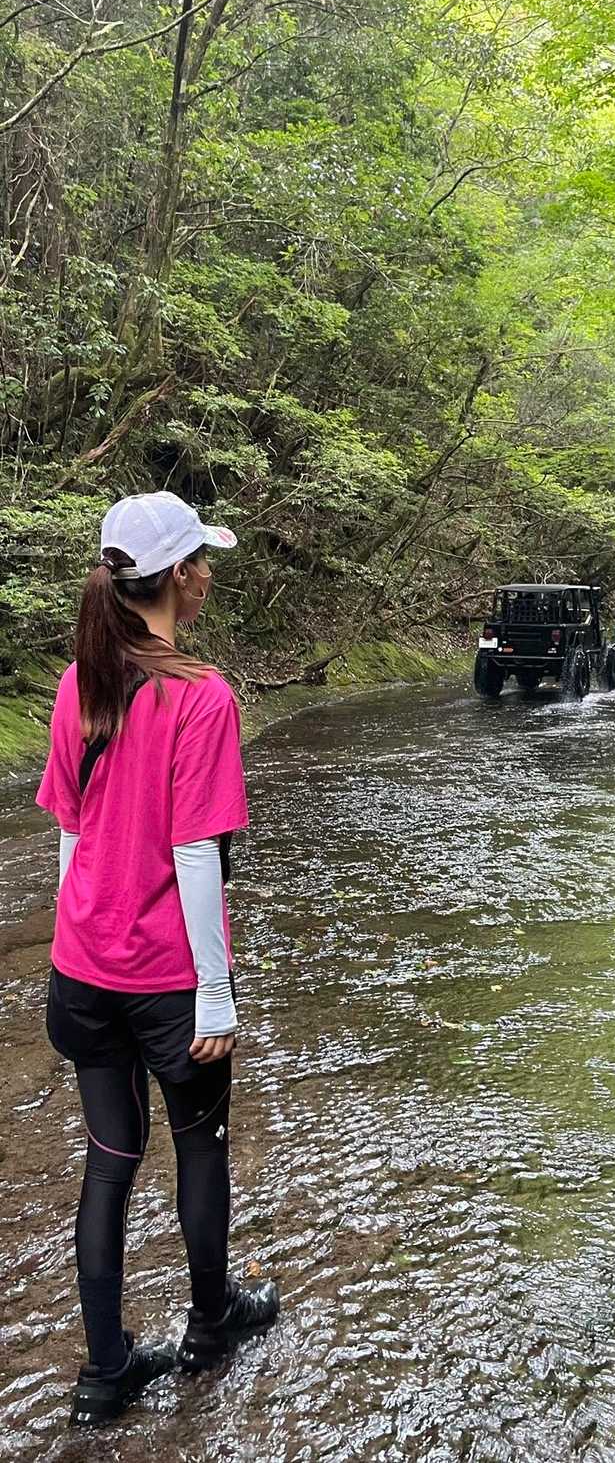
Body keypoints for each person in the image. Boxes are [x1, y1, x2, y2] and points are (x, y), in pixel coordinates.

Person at [36, 491, 278, 1429]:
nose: (210, 573)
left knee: (108, 1159)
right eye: (203, 560)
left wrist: (76, 939)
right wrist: (215, 994)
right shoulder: (201, 696)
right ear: (178, 576)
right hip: (168, 979)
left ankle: (106, 1372)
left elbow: (70, 833)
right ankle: (211, 1325)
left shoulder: (79, 681)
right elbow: (195, 851)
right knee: (199, 1145)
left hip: (83, 969)